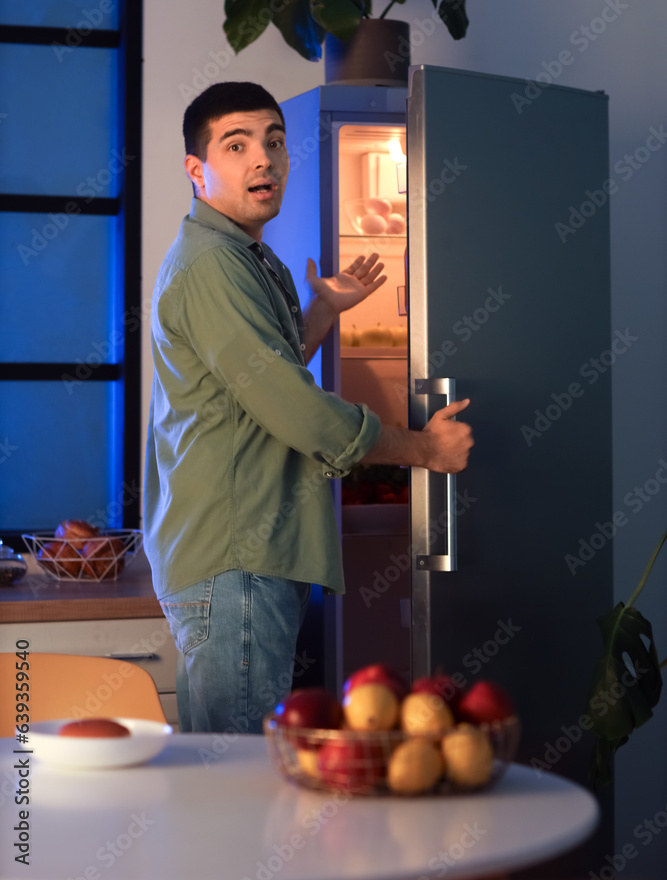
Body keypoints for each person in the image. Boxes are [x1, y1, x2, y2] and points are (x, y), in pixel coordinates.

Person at [144, 81, 473, 734]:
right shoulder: (212, 266)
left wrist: (321, 310)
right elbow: (296, 411)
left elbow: (256, 385)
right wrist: (423, 450)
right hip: (236, 561)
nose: (262, 159)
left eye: (273, 141)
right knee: (233, 788)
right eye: (236, 145)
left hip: (246, 555)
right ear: (195, 169)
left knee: (236, 781)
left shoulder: (245, 257)